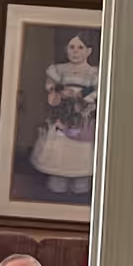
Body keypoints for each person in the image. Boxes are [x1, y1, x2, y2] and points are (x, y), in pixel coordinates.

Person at [28, 29, 98, 196]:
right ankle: (58, 180)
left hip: (82, 117)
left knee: (81, 150)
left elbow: (97, 92)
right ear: (65, 49)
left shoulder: (94, 72)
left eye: (80, 47)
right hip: (62, 115)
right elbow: (52, 90)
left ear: (89, 51)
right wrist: (57, 93)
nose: (75, 51)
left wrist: (82, 97)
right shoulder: (58, 70)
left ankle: (81, 182)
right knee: (60, 148)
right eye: (71, 47)